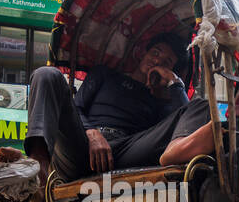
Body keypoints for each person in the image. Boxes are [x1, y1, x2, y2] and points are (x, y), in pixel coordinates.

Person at [24, 32, 211, 183]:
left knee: (201, 105)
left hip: (124, 153)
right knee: (46, 74)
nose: (157, 61)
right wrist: (92, 132)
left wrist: (174, 83)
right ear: (143, 54)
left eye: (166, 61)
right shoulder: (105, 74)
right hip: (81, 146)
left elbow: (185, 119)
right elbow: (77, 108)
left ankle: (176, 159)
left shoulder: (161, 103)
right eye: (155, 53)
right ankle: (38, 164)